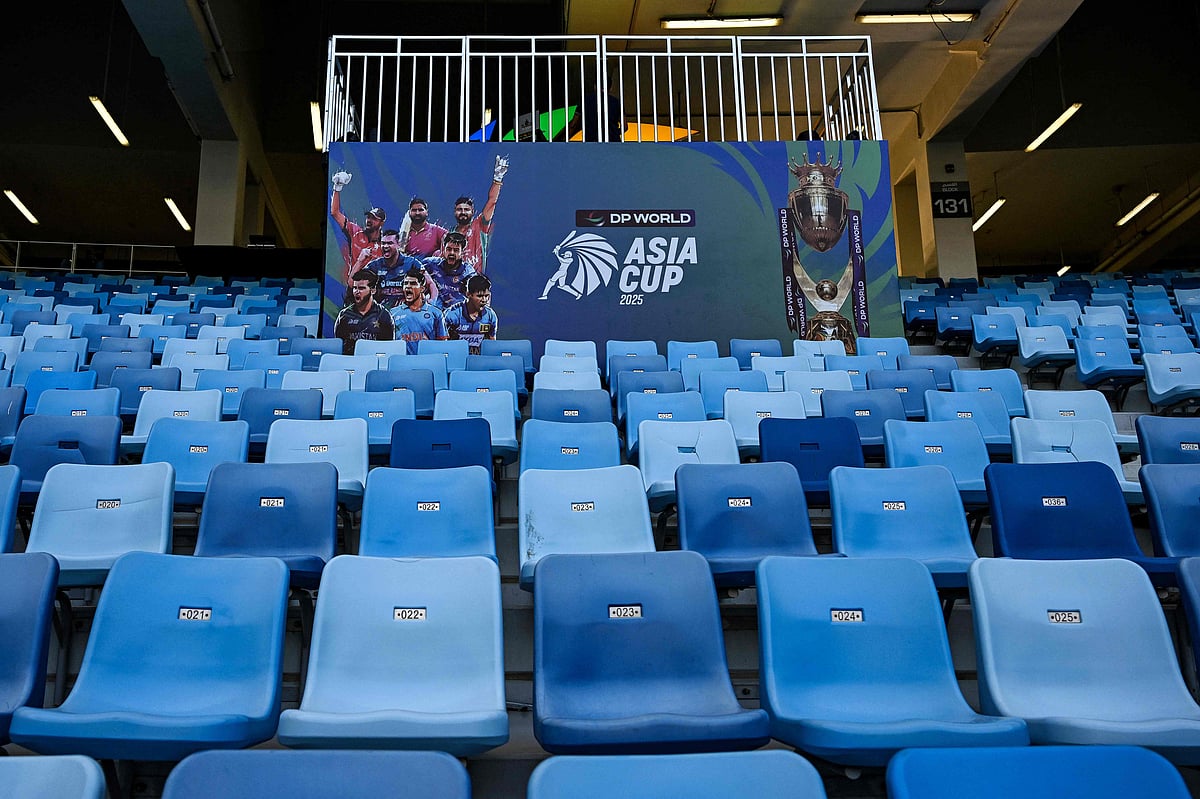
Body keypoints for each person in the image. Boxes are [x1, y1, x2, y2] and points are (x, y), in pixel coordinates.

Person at [451, 155, 508, 272]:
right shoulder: (448, 234)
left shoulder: (479, 225)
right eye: (459, 209)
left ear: (473, 212)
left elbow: (492, 201)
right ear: (454, 212)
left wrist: (497, 180)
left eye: (466, 209)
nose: (463, 212)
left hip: (475, 283)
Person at [329, 170, 386, 284]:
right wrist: (337, 187)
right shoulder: (355, 231)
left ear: (381, 223)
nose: (369, 220)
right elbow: (335, 213)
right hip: (353, 286)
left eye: (374, 218)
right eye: (368, 217)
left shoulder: (385, 244)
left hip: (375, 289)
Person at [334, 269, 395, 355]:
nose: (356, 292)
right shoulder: (344, 315)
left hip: (374, 363)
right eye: (355, 288)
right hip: (350, 363)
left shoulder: (383, 315)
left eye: (361, 288)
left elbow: (388, 347)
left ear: (373, 290)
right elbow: (339, 347)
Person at [390, 266, 448, 354]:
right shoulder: (392, 313)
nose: (408, 286)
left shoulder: (436, 313)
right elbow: (387, 345)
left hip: (427, 362)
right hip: (401, 363)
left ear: (422, 289)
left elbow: (443, 344)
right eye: (406, 283)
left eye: (413, 283)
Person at [365, 229, 428, 309]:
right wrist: (360, 261)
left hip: (405, 310)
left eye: (390, 243)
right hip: (381, 311)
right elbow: (353, 283)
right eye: (383, 243)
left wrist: (430, 302)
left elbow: (430, 284)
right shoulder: (374, 265)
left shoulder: (412, 263)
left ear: (398, 245)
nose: (386, 246)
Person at [444, 274, 498, 355]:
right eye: (479, 296)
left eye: (486, 296)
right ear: (468, 294)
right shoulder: (452, 315)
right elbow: (442, 345)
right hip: (456, 359)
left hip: (480, 361)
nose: (484, 300)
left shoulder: (491, 316)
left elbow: (492, 345)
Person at [424, 231, 476, 310]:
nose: (451, 253)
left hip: (456, 315)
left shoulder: (468, 273)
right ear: (443, 249)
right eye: (448, 249)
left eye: (456, 250)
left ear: (462, 252)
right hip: (431, 313)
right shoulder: (430, 264)